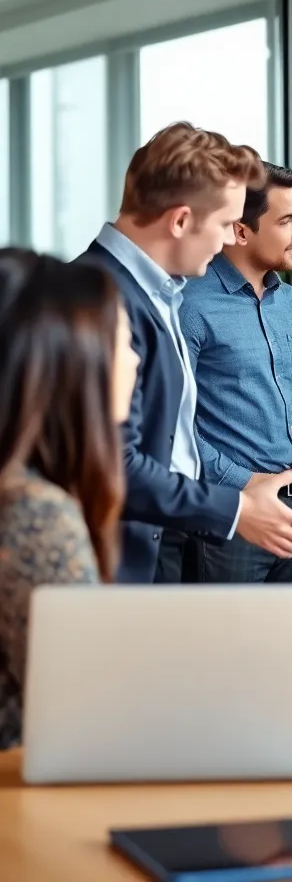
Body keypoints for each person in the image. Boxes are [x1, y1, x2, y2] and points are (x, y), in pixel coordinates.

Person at [83, 123, 292, 584]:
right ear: (180, 221)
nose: (225, 243)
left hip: (162, 545)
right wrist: (237, 507)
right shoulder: (96, 299)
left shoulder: (161, 295)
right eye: (222, 225)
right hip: (112, 564)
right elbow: (116, 462)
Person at [0, 251, 140, 749]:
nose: (135, 359)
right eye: (124, 340)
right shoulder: (33, 515)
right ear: (73, 358)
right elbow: (89, 711)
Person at [180, 163, 292, 584]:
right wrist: (245, 484)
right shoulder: (189, 306)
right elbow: (175, 427)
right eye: (287, 220)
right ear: (240, 230)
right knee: (227, 649)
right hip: (232, 517)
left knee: (288, 648)